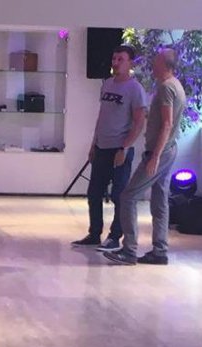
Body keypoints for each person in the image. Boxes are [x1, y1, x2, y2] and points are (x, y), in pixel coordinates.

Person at [104, 48, 186, 265]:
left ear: (165, 64)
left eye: (156, 60)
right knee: (160, 201)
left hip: (160, 152)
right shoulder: (176, 85)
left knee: (128, 196)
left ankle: (129, 250)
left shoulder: (166, 87)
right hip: (169, 149)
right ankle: (160, 251)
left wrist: (155, 156)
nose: (152, 64)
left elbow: (167, 124)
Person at [72, 45, 147, 252]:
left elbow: (139, 122)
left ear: (130, 63)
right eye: (114, 59)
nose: (115, 63)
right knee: (94, 192)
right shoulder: (107, 84)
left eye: (120, 59)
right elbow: (102, 116)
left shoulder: (135, 89)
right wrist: (93, 144)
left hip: (119, 149)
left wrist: (124, 147)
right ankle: (94, 233)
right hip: (101, 147)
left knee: (118, 195)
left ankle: (115, 237)